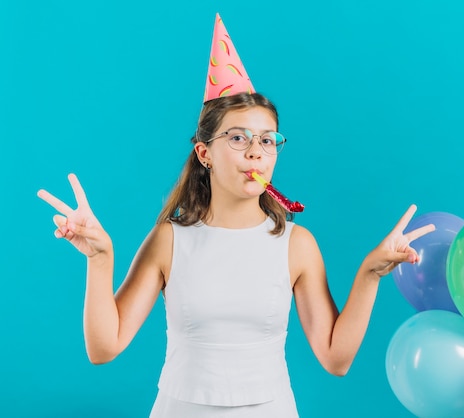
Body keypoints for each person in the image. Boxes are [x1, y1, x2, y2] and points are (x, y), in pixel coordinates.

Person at [37, 13, 435, 418]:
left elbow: (336, 359)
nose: (255, 152)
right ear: (204, 153)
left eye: (267, 140)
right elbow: (104, 348)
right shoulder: (169, 240)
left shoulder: (297, 245)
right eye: (238, 138)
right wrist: (100, 259)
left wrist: (370, 272)